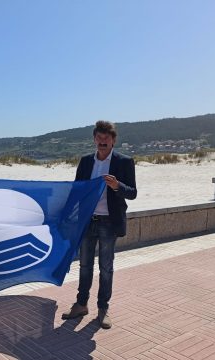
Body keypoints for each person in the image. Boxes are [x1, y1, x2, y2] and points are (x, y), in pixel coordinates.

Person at [62, 120, 137, 329]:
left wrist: (117, 185)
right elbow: (77, 191)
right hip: (87, 221)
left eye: (107, 138)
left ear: (113, 140)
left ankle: (103, 309)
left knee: (106, 268)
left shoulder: (124, 162)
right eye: (99, 137)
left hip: (108, 223)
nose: (102, 141)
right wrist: (65, 215)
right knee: (85, 266)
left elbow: (132, 193)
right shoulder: (86, 161)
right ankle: (81, 304)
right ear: (94, 139)